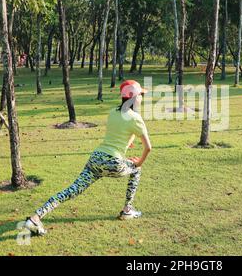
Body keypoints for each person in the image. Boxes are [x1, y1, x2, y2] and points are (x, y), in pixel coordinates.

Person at [24, 80, 152, 236]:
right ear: (134, 97)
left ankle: (35, 217)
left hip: (96, 159)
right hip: (114, 162)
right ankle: (127, 210)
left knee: (72, 190)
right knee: (136, 170)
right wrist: (138, 163)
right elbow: (148, 148)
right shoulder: (136, 118)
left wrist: (129, 142)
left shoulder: (113, 112)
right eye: (140, 95)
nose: (141, 99)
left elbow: (122, 135)